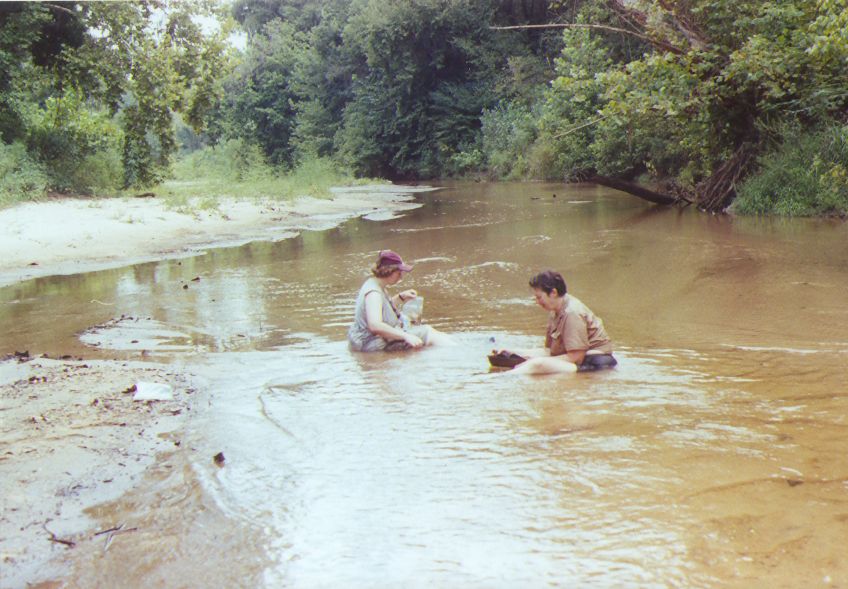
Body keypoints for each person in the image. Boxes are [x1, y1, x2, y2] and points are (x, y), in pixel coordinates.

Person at [500, 270, 616, 374]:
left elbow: (576, 356)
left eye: (539, 297)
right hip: (579, 361)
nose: (537, 302)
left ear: (553, 293)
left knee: (537, 365)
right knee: (533, 363)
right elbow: (549, 351)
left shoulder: (572, 312)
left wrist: (531, 362)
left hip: (594, 365)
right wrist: (514, 352)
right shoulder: (555, 310)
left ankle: (499, 379)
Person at [348, 250, 449, 352]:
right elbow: (375, 325)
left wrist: (401, 297)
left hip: (369, 341)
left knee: (432, 332)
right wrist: (406, 336)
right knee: (427, 332)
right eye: (399, 272)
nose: (401, 276)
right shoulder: (374, 293)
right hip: (370, 344)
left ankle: (454, 346)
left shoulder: (376, 284)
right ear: (389, 271)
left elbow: (382, 309)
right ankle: (455, 352)